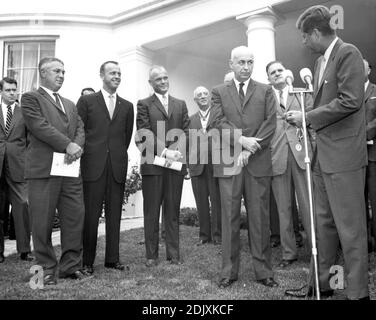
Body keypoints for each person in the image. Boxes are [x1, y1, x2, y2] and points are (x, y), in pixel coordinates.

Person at [286, 5, 369, 300]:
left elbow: (350, 101)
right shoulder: (323, 61)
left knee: (350, 229)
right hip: (324, 158)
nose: (303, 42)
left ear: (317, 33)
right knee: (325, 227)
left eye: (305, 36)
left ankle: (357, 293)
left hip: (345, 159)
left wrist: (307, 117)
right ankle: (325, 285)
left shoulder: (348, 53)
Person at [209, 46, 277, 288]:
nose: (246, 67)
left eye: (250, 62)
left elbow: (271, 122)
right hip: (228, 162)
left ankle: (264, 272)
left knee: (260, 219)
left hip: (257, 161)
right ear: (231, 64)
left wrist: (250, 148)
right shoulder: (218, 92)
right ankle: (228, 272)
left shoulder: (266, 90)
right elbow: (217, 122)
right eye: (241, 62)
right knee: (229, 218)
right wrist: (241, 141)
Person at [21, 57, 87, 285]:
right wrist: (67, 144)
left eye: (63, 72)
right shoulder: (30, 98)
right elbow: (39, 126)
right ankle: (45, 271)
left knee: (74, 219)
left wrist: (76, 146)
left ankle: (70, 267)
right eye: (56, 71)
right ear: (43, 73)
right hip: (43, 172)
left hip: (69, 171)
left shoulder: (69, 103)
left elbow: (80, 127)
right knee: (41, 223)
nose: (61, 75)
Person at [76, 61, 134, 275]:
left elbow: (125, 138)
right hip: (93, 166)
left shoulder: (127, 106)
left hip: (116, 167)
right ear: (102, 75)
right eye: (112, 73)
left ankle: (112, 259)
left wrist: (115, 154)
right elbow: (79, 131)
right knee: (91, 216)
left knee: (114, 214)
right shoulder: (87, 101)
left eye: (119, 73)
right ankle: (87, 261)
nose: (117, 76)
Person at [136, 65, 189, 267]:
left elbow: (185, 131)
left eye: (165, 77)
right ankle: (151, 256)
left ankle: (173, 255)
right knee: (151, 211)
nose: (163, 81)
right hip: (153, 166)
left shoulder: (180, 104)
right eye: (158, 79)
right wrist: (166, 152)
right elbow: (144, 132)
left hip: (175, 166)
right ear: (151, 83)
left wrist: (176, 152)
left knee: (172, 210)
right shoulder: (143, 104)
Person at [266, 61, 313, 267]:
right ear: (268, 78)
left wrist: (303, 120)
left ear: (285, 73)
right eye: (272, 72)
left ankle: (316, 249)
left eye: (279, 70)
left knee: (308, 206)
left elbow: (314, 119)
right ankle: (288, 254)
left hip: (302, 155)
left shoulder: (301, 93)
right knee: (283, 209)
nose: (276, 74)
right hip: (277, 157)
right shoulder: (265, 99)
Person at [0, 77, 32, 263]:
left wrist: (26, 159)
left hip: (19, 166)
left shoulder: (24, 113)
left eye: (14, 90)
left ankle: (25, 250)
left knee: (22, 206)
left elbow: (30, 140)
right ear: (1, 92)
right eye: (8, 90)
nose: (12, 93)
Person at [189, 86, 221, 246]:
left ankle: (217, 235)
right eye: (199, 95)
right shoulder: (190, 120)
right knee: (201, 201)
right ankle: (204, 236)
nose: (202, 96)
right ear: (195, 100)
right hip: (197, 166)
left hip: (216, 164)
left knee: (216, 200)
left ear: (210, 97)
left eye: (205, 94)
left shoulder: (219, 114)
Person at [364, 59, 376, 252]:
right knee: (357, 200)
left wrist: (362, 135)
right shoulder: (347, 92)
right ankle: (365, 242)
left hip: (373, 154)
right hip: (352, 157)